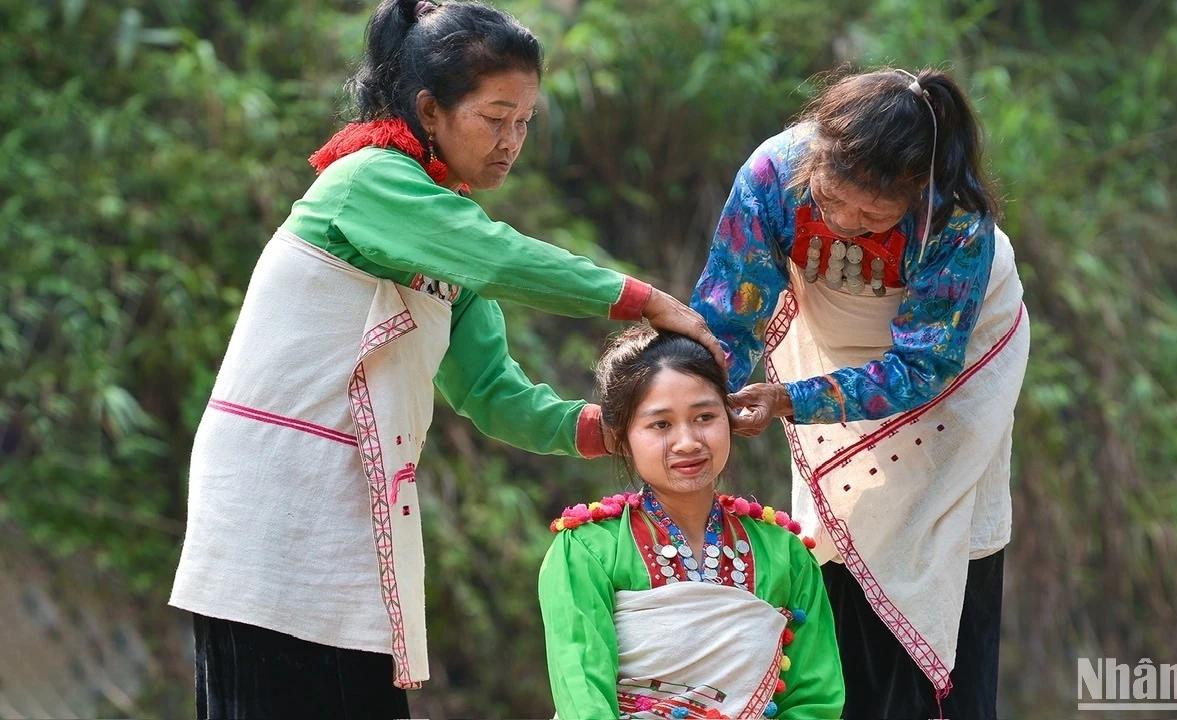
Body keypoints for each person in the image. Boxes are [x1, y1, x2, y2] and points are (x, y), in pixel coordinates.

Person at [169, 2, 723, 718]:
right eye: (495, 119)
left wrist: (604, 430)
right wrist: (644, 300)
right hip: (277, 497)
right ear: (431, 111)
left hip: (347, 503)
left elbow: (493, 392)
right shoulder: (367, 180)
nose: (511, 141)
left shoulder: (442, 235)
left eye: (524, 122)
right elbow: (500, 256)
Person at [691, 67, 1030, 719]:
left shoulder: (955, 222)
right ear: (817, 157)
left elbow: (922, 368)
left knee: (936, 531)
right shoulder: (776, 174)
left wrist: (790, 400)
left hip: (954, 369)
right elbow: (729, 310)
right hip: (830, 347)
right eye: (831, 200)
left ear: (918, 194)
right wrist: (701, 410)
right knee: (839, 534)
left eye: (872, 216)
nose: (844, 224)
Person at [538, 327, 844, 719]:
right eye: (661, 424)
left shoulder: (784, 553)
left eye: (704, 417)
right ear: (622, 435)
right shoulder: (586, 550)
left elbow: (814, 700)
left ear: (730, 418)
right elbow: (583, 696)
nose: (687, 442)